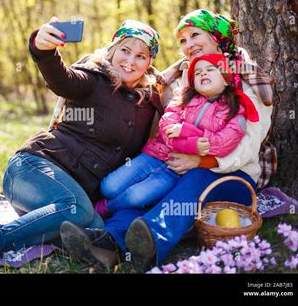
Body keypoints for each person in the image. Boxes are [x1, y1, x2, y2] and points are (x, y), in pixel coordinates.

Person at [0, 17, 163, 273]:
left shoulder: (149, 102)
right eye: (125, 51)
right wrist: (43, 49)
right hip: (33, 170)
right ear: (113, 50)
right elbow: (61, 79)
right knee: (77, 210)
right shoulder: (94, 79)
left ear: (149, 64)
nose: (130, 61)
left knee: (95, 234)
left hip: (65, 199)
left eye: (141, 56)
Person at [60, 9, 274, 271]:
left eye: (195, 35)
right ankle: (106, 245)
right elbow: (168, 113)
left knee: (192, 179)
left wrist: (201, 160)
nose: (188, 45)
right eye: (182, 40)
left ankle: (153, 241)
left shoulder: (247, 79)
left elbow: (248, 147)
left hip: (232, 175)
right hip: (178, 164)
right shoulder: (189, 76)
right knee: (151, 192)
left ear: (217, 37)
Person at [93, 53, 259, 219]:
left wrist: (187, 132)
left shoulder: (235, 110)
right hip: (154, 155)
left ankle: (107, 208)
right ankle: (115, 208)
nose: (203, 74)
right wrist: (193, 144)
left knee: (137, 196)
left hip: (178, 170)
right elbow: (167, 126)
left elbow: (223, 144)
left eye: (210, 69)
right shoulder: (183, 98)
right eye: (198, 72)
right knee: (108, 186)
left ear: (226, 79)